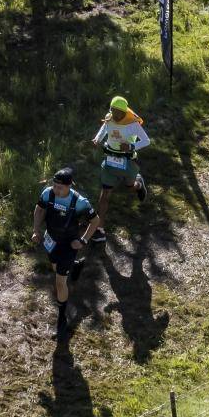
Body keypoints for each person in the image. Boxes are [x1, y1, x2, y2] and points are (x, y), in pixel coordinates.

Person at [33, 169, 100, 337]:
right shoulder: (48, 193)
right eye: (54, 185)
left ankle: (62, 315)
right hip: (51, 240)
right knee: (56, 268)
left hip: (69, 245)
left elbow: (95, 221)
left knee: (60, 282)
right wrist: (36, 230)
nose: (56, 189)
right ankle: (76, 266)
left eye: (60, 187)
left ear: (69, 186)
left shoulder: (80, 202)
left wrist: (83, 240)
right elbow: (39, 209)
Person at [89, 97, 149, 243]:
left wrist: (130, 146)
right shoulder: (109, 118)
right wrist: (97, 139)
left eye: (119, 113)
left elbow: (147, 141)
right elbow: (104, 128)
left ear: (125, 111)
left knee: (130, 186)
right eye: (113, 111)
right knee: (104, 195)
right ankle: (99, 230)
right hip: (110, 160)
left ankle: (139, 184)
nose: (116, 115)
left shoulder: (132, 124)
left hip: (127, 161)